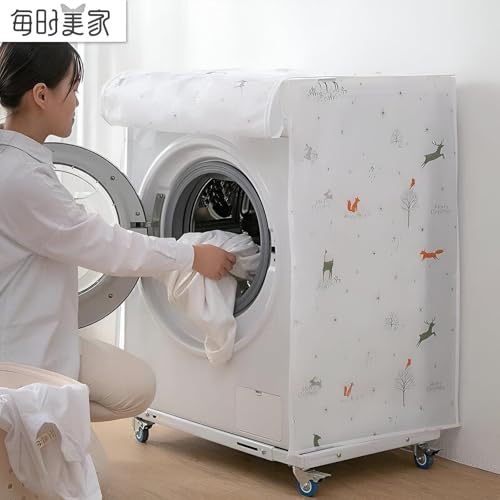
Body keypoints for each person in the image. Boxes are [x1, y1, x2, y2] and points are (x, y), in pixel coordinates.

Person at [0, 42, 236, 422]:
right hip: (19, 355)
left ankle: (40, 423)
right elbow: (108, 247)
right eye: (72, 89)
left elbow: (88, 237)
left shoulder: (14, 161)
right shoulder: (22, 178)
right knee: (88, 451)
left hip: (32, 334)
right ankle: (27, 425)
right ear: (41, 95)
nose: (77, 102)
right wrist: (193, 255)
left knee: (137, 386)